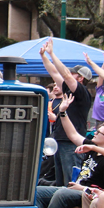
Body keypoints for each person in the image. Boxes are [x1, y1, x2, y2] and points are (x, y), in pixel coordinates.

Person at [35, 93, 104, 208]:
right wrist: (63, 112)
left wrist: (82, 189)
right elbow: (73, 134)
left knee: (61, 194)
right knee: (37, 192)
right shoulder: (92, 148)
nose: (95, 133)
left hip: (86, 195)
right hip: (74, 189)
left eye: (99, 133)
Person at [39, 39, 92, 186]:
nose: (69, 74)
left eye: (74, 73)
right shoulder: (69, 90)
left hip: (71, 142)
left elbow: (66, 75)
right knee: (60, 181)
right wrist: (44, 57)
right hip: (61, 140)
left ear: (81, 78)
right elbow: (55, 73)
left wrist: (52, 54)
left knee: (70, 181)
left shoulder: (82, 92)